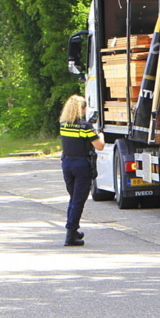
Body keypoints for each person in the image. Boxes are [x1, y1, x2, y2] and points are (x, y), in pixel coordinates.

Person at [59, 95, 105, 247]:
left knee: (73, 199)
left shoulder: (63, 125)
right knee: (78, 201)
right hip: (82, 165)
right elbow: (99, 146)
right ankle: (70, 234)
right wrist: (100, 134)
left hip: (67, 164)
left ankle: (73, 230)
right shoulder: (86, 127)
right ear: (82, 109)